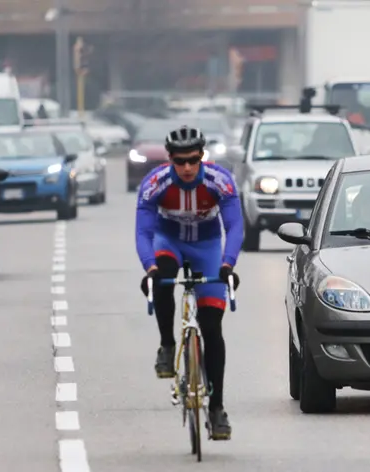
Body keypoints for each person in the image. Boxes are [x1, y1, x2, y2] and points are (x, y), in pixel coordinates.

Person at [135, 125, 243, 440]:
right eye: (179, 161)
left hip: (207, 247)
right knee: (164, 277)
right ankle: (167, 346)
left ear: (201, 157)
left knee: (212, 328)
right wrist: (149, 267)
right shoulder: (155, 183)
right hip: (168, 241)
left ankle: (217, 408)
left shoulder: (219, 181)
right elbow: (143, 232)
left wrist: (228, 264)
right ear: (169, 159)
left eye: (192, 160)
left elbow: (235, 226)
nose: (186, 167)